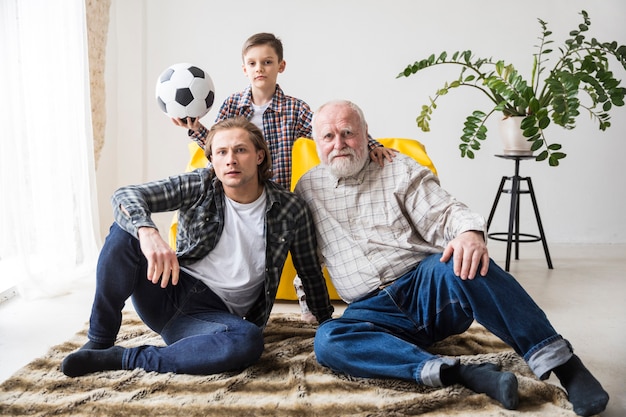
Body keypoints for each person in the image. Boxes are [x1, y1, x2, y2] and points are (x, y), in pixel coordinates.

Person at [294, 100, 609, 417]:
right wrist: (306, 298)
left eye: (347, 133)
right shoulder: (307, 188)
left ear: (365, 134)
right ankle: (460, 373)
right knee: (328, 340)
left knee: (465, 261)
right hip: (372, 313)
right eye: (328, 136)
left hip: (425, 288)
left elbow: (445, 212)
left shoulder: (396, 168)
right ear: (316, 142)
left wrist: (469, 234)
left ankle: (565, 365)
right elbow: (307, 253)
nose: (339, 144)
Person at [61, 117, 334, 378]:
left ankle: (125, 358)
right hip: (167, 289)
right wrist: (147, 231)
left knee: (248, 340)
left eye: (241, 150)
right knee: (124, 232)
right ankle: (99, 342)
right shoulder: (200, 185)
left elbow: (309, 270)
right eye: (222, 152)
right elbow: (125, 195)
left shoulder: (290, 208)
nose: (231, 160)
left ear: (259, 156)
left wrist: (326, 321)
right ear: (212, 159)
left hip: (210, 318)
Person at [173, 32, 395, 321]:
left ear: (281, 66)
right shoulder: (232, 106)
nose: (259, 69)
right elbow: (217, 148)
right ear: (244, 69)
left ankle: (310, 301)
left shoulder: (294, 108)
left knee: (305, 240)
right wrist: (195, 128)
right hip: (237, 193)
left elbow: (330, 131)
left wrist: (372, 144)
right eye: (252, 63)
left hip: (273, 194)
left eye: (267, 62)